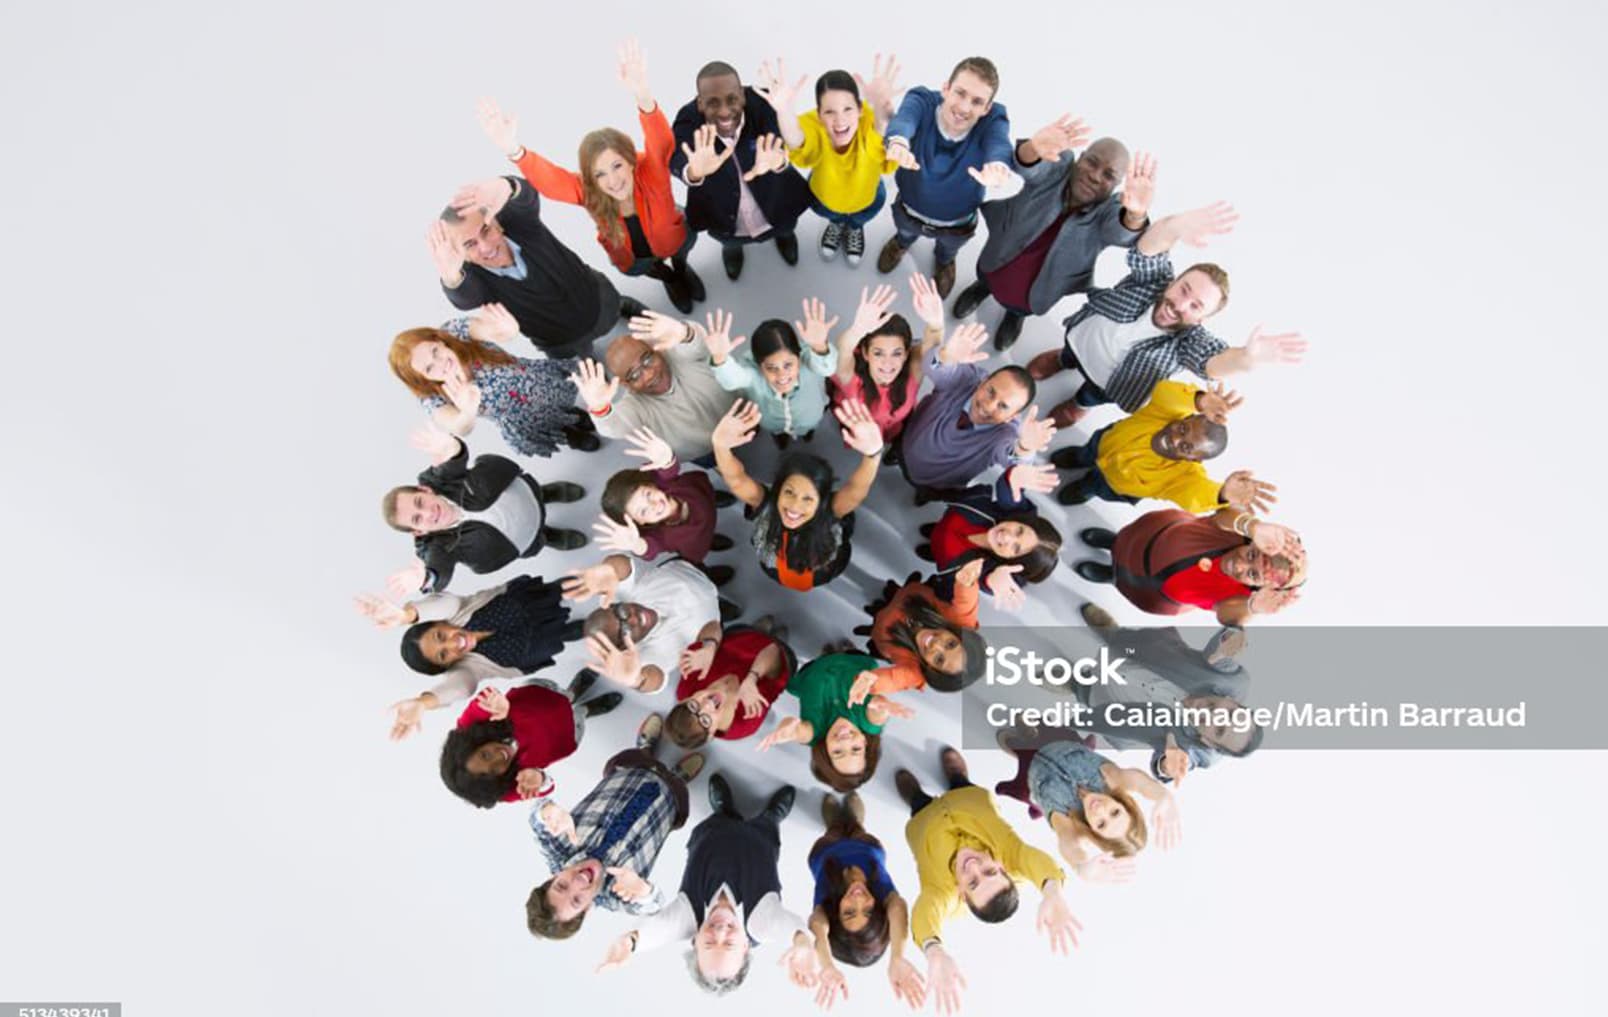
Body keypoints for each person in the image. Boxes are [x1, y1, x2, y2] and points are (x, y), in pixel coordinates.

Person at [1025, 202, 1307, 429]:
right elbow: (1148, 250)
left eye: (1196, 306)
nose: (1181, 305)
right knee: (1068, 354)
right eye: (1184, 290)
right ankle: (1062, 359)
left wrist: (1246, 359)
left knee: (1092, 395)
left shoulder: (1189, 342)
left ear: (1201, 319)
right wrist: (1176, 226)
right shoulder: (1154, 282)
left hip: (1108, 383)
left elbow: (1213, 363)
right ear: (1173, 281)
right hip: (1081, 340)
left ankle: (1080, 405)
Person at [476, 42, 705, 313]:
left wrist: (643, 94)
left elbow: (662, 143)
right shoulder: (589, 192)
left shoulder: (649, 171)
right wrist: (513, 149)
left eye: (617, 166)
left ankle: (680, 269)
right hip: (632, 254)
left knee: (679, 251)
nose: (613, 180)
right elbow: (552, 183)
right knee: (645, 267)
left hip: (672, 237)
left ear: (631, 161)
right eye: (600, 173)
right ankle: (668, 278)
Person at [595, 776, 819, 996]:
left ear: (695, 941)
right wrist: (803, 944)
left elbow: (657, 932)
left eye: (710, 942)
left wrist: (629, 943)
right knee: (767, 827)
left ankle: (725, 810)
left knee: (721, 819)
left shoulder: (687, 919)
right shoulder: (760, 923)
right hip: (759, 842)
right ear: (745, 946)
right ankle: (772, 815)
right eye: (729, 944)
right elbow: (790, 929)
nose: (720, 932)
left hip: (712, 836)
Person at [896, 747, 1080, 1015]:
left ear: (960, 893)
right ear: (1002, 866)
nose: (974, 867)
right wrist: (1052, 892)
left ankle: (915, 796)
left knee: (916, 800)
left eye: (971, 883)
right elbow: (1035, 863)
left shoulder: (941, 892)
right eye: (989, 872)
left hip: (924, 821)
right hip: (968, 799)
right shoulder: (1011, 854)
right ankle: (957, 776)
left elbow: (926, 915)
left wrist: (933, 950)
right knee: (960, 782)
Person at [952, 123, 1150, 351]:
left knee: (1019, 306)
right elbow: (1028, 166)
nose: (1095, 176)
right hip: (997, 259)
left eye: (1108, 175)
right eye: (1092, 162)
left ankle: (1015, 316)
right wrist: (1033, 148)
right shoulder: (1061, 164)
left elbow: (1122, 233)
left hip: (1037, 292)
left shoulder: (1109, 210)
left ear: (1117, 185)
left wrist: (1135, 213)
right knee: (987, 278)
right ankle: (981, 289)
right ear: (1080, 158)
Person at [526, 713, 706, 940]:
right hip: (666, 803)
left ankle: (646, 748)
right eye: (577, 900)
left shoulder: (560, 850)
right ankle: (677, 775)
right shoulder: (617, 895)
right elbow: (652, 908)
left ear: (552, 878)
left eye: (561, 886)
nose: (578, 882)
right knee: (674, 785)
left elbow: (536, 820)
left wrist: (547, 812)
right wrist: (643, 892)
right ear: (587, 910)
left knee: (639, 758)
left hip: (628, 774)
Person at [425, 174, 645, 359]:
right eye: (469, 244)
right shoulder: (473, 279)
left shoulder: (518, 223)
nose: (485, 247)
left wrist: (508, 186)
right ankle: (588, 362)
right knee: (583, 359)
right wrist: (450, 275)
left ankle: (622, 307)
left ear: (497, 221)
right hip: (558, 339)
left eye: (485, 230)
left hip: (596, 297)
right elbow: (465, 299)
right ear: (459, 253)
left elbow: (526, 198)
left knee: (613, 308)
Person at [353, 575, 586, 740]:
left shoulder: (456, 609)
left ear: (440, 623)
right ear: (447, 665)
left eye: (440, 635)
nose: (453, 642)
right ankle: (585, 627)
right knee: (581, 630)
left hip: (538, 600)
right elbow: (459, 688)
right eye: (444, 654)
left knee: (574, 586)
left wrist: (406, 615)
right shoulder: (468, 670)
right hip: (543, 640)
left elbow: (440, 604)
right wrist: (423, 704)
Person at [1070, 604, 1262, 785]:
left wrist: (1166, 767)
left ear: (1209, 742)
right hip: (1142, 652)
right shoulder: (1234, 682)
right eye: (1230, 714)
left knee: (1087, 691)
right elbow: (1224, 648)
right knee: (1122, 640)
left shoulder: (1197, 752)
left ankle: (1074, 684)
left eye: (1219, 730)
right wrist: (1230, 639)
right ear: (1233, 702)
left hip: (1112, 697)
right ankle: (1112, 633)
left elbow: (1172, 765)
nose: (1216, 716)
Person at [382, 430, 588, 597]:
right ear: (418, 532)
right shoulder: (436, 547)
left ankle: (547, 494)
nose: (428, 512)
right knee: (535, 540)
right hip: (517, 540)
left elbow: (453, 459)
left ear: (425, 491)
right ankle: (548, 535)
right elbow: (438, 571)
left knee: (535, 496)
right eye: (417, 518)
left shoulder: (439, 481)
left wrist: (451, 446)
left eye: (420, 502)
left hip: (520, 492)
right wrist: (425, 579)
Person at [711, 398, 887, 591]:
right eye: (789, 492)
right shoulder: (768, 504)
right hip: (775, 567)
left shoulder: (830, 512)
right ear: (778, 489)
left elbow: (856, 491)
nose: (795, 506)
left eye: (808, 498)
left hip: (821, 570)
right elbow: (736, 479)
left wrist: (874, 454)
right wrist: (720, 446)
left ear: (822, 501)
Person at [876, 57, 1013, 297]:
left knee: (948, 250)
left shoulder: (994, 119)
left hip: (957, 223)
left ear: (987, 108)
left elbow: (998, 143)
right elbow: (905, 119)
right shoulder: (922, 100)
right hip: (910, 209)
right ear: (945, 89)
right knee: (905, 233)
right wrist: (898, 141)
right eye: (960, 93)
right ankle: (902, 243)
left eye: (977, 101)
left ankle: (944, 261)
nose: (964, 107)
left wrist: (998, 165)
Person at [388, 305, 600, 457]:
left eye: (435, 351)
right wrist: (467, 412)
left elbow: (486, 329)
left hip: (533, 379)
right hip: (521, 417)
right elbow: (458, 426)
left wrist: (506, 331)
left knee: (560, 401)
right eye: (429, 368)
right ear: (422, 378)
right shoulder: (431, 397)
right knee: (550, 423)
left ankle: (575, 415)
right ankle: (571, 433)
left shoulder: (454, 333)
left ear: (439, 341)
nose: (440, 362)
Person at [669, 61, 812, 281]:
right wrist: (694, 172)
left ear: (743, 96)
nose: (725, 111)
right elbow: (676, 157)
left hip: (776, 200)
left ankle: (784, 237)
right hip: (723, 216)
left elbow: (790, 140)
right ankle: (733, 249)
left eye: (732, 99)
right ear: (700, 103)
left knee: (784, 226)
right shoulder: (688, 119)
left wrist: (779, 162)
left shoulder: (766, 103)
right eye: (713, 103)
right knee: (729, 240)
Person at [753, 56, 900, 265]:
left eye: (847, 109)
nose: (840, 120)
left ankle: (855, 229)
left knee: (858, 220)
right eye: (829, 112)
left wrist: (881, 107)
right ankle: (837, 225)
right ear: (819, 115)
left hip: (868, 199)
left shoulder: (870, 119)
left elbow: (882, 140)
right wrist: (784, 111)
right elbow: (797, 141)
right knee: (835, 217)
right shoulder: (814, 125)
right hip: (825, 199)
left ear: (859, 110)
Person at [1051, 379, 1277, 511]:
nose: (1175, 439)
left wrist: (1222, 494)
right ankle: (1079, 457)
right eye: (1182, 429)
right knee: (1086, 452)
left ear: (1194, 460)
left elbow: (1195, 494)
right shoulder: (1164, 413)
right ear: (1185, 417)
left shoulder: (1184, 476)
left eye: (1186, 447)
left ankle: (1086, 489)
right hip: (1102, 444)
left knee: (1095, 486)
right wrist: (1200, 400)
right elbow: (1165, 392)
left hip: (1114, 486)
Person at [897, 322, 1057, 504]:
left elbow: (1013, 460)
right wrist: (946, 356)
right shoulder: (968, 378)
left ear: (1012, 417)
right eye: (990, 391)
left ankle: (922, 495)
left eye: (1003, 406)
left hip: (935, 484)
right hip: (905, 441)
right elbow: (935, 369)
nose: (988, 406)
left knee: (927, 494)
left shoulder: (1005, 434)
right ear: (983, 381)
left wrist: (1025, 447)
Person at [1073, 508, 1307, 625]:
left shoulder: (1240, 598)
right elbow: (1227, 515)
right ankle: (1112, 542)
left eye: (1252, 573)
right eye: (1252, 554)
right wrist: (1253, 527)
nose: (1240, 564)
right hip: (1150, 536)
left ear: (1257, 587)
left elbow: (1229, 617)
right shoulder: (1238, 532)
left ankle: (1111, 576)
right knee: (1127, 542)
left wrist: (1253, 608)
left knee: (1127, 580)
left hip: (1153, 591)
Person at [992, 737, 1182, 882]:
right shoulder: (1114, 779)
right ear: (1123, 803)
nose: (1100, 811)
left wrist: (1081, 868)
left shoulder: (1071, 826)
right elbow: (1140, 782)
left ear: (1092, 832)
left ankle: (1035, 804)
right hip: (1064, 743)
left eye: (1101, 824)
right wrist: (1164, 797)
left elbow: (1070, 846)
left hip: (1031, 774)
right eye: (1115, 812)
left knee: (1023, 786)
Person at [803, 792, 927, 1010]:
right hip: (867, 845)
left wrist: (827, 964)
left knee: (834, 829)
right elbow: (898, 908)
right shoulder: (884, 894)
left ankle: (835, 823)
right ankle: (854, 821)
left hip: (826, 849)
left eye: (849, 912)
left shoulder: (826, 902)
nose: (858, 899)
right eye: (868, 911)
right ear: (879, 911)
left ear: (836, 914)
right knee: (856, 828)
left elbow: (818, 928)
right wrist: (897, 957)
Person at [570, 310, 739, 463]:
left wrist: (684, 333)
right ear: (625, 384)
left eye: (647, 359)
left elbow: (700, 345)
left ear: (655, 349)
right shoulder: (635, 407)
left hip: (742, 415)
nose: (649, 374)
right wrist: (600, 408)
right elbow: (614, 426)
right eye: (634, 375)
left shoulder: (675, 351)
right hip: (707, 452)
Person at [439, 679, 623, 809]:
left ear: (473, 744)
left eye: (485, 755)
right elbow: (545, 788)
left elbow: (483, 699)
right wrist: (539, 779)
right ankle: (586, 709)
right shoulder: (504, 789)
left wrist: (496, 704)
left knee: (564, 695)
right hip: (564, 734)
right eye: (494, 771)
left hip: (539, 697)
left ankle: (573, 692)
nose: (498, 758)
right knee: (578, 716)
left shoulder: (468, 728)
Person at [560, 553, 724, 694]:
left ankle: (713, 579)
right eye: (625, 630)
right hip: (713, 621)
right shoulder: (650, 655)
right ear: (624, 648)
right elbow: (652, 679)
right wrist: (636, 680)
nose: (633, 619)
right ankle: (723, 602)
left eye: (622, 613)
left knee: (708, 572)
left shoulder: (623, 594)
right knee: (720, 609)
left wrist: (608, 569)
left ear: (615, 604)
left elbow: (621, 565)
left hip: (690, 570)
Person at [594, 425, 736, 584]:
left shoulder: (663, 483)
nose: (653, 504)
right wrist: (636, 545)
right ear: (640, 523)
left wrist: (666, 459)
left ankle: (712, 508)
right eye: (643, 511)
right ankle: (709, 551)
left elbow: (667, 470)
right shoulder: (659, 536)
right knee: (702, 546)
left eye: (647, 494)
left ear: (652, 485)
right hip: (696, 542)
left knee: (707, 501)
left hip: (703, 497)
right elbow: (649, 549)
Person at [756, 652, 913, 792]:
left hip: (813, 671)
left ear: (826, 750)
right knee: (849, 652)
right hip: (854, 662)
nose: (845, 741)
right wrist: (882, 704)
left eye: (838, 752)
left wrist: (787, 731)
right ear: (864, 742)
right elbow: (878, 713)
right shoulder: (869, 724)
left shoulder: (814, 734)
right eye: (856, 749)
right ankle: (839, 649)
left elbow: (796, 731)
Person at [916, 465, 1062, 612]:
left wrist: (990, 581)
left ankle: (933, 551)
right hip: (950, 523)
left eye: (1015, 548)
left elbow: (986, 579)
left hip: (946, 554)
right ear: (1021, 520)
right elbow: (1009, 492)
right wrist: (1013, 476)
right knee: (939, 531)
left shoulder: (983, 568)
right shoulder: (1009, 512)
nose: (1007, 536)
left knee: (939, 550)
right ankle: (935, 533)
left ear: (1011, 561)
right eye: (1019, 530)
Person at [829, 276, 945, 451]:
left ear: (906, 354)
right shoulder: (851, 379)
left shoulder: (912, 372)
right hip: (859, 432)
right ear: (865, 353)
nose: (888, 363)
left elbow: (931, 349)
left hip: (895, 429)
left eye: (897, 353)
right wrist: (857, 329)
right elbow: (843, 350)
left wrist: (936, 323)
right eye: (878, 353)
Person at [853, 559, 987, 699]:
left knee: (877, 614)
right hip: (907, 596)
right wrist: (968, 581)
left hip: (882, 629)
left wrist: (871, 683)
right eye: (950, 644)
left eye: (939, 659)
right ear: (958, 634)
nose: (936, 645)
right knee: (891, 593)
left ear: (931, 671)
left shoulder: (915, 672)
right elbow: (966, 604)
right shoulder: (959, 623)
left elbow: (894, 680)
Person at [707, 306, 837, 446]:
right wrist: (720, 359)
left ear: (798, 357)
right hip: (773, 424)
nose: (782, 375)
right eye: (771, 368)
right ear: (759, 365)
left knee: (808, 431)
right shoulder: (753, 374)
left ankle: (807, 435)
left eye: (788, 365)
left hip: (810, 418)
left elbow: (827, 368)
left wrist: (819, 347)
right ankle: (781, 438)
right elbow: (732, 380)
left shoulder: (809, 360)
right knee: (778, 435)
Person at [665, 624, 794, 749]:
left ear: (684, 700)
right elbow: (774, 650)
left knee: (756, 628)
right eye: (705, 720)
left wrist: (709, 645)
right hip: (777, 661)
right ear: (711, 734)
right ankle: (773, 633)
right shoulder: (744, 723)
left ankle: (760, 628)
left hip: (739, 637)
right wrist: (751, 678)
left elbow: (713, 624)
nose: (707, 705)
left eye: (693, 706)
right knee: (780, 641)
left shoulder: (686, 687)